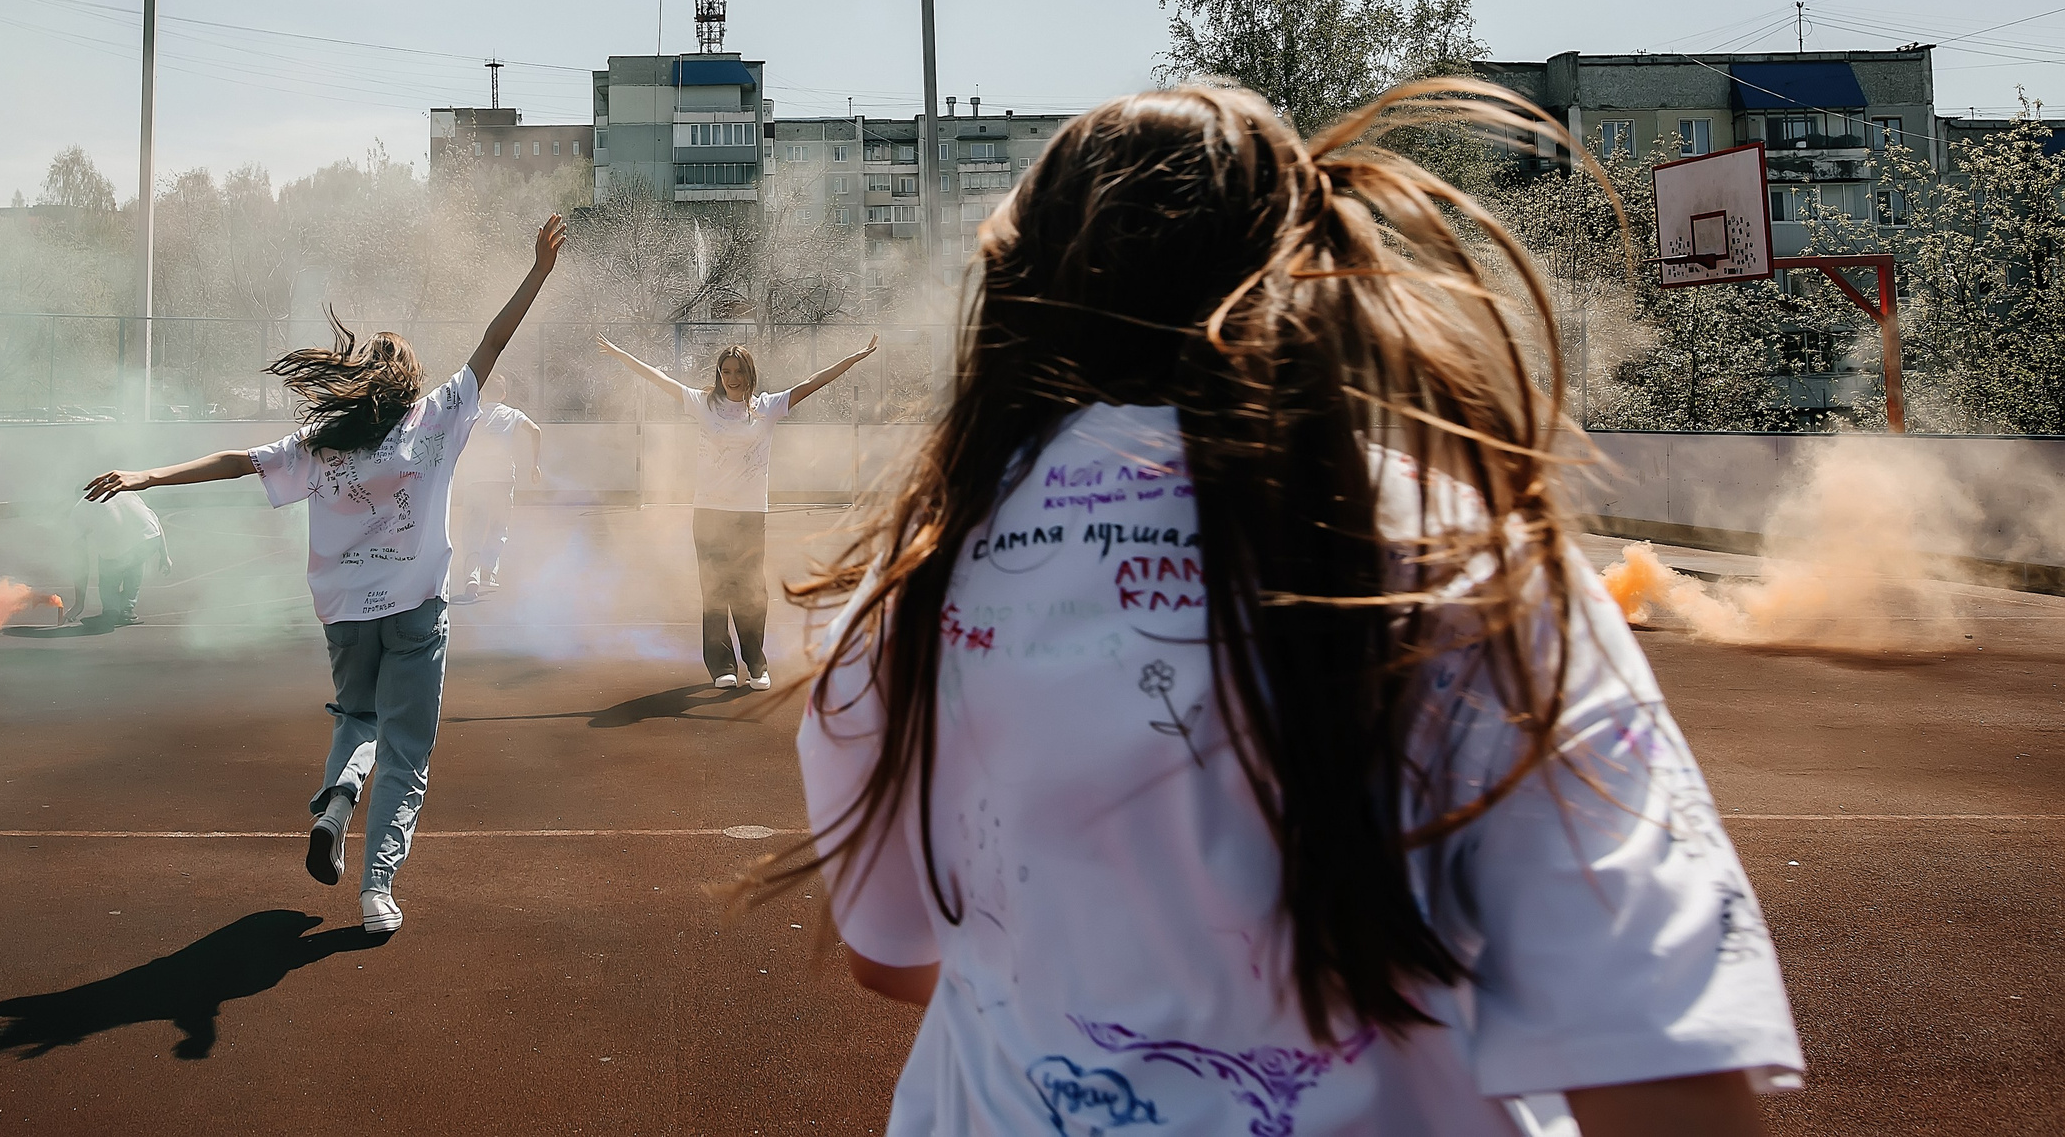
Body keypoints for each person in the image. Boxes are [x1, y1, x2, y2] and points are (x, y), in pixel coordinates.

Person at [758, 84, 1803, 1137]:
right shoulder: (1478, 558)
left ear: (1021, 298)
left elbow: (892, 954)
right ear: (1311, 271)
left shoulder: (915, 581)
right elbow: (1662, 1070)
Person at [83, 214, 567, 936]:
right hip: (416, 610)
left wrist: (147, 475)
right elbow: (493, 342)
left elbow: (238, 461)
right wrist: (537, 272)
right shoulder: (436, 416)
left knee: (357, 717)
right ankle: (377, 890)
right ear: (411, 380)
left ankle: (338, 804)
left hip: (344, 615)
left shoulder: (323, 441)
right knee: (405, 752)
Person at [596, 332, 876, 690]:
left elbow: (812, 382)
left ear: (749, 374)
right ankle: (722, 666)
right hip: (708, 511)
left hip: (750, 513)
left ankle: (756, 663)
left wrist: (853, 357)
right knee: (714, 589)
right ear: (719, 374)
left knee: (751, 590)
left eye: (738, 371)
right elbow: (659, 378)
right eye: (726, 371)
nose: (732, 378)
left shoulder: (767, 407)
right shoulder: (702, 404)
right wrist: (621, 353)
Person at [450, 370, 541, 603]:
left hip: (475, 479)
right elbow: (535, 431)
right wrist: (534, 465)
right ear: (504, 394)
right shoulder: (512, 413)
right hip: (503, 479)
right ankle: (488, 570)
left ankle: (471, 576)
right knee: (499, 526)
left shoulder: (472, 414)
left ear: (482, 393)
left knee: (472, 529)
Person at [62, 488, 168, 627]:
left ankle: (110, 612)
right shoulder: (121, 490)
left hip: (119, 548)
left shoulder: (80, 508)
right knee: (136, 560)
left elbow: (80, 562)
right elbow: (154, 520)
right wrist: (165, 555)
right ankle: (126, 610)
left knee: (109, 574)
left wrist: (79, 604)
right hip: (152, 539)